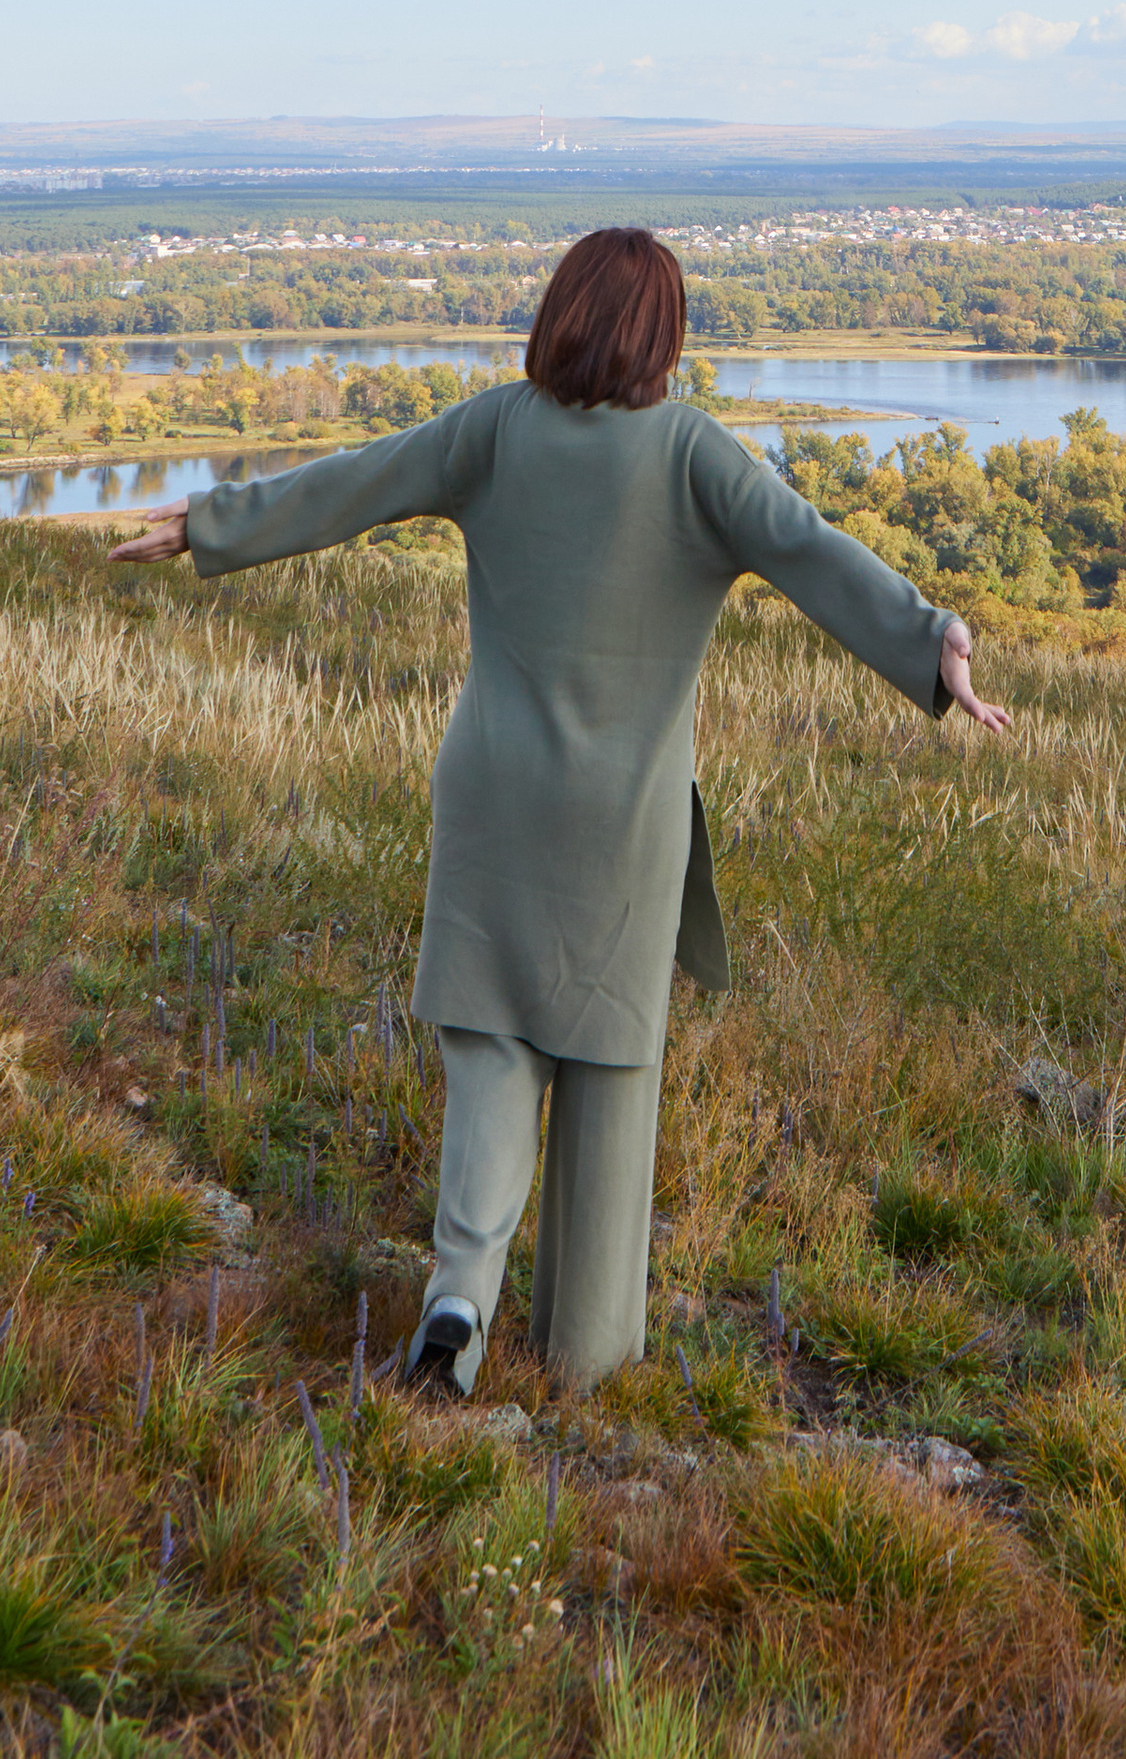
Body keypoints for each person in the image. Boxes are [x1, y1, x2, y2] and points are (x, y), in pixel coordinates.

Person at [108, 225, 1010, 1397]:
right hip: (621, 820)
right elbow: (809, 548)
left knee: (488, 1049)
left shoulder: (492, 429)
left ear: (561, 316)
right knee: (608, 1072)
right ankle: (584, 1358)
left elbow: (358, 483)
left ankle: (457, 1306)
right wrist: (929, 635)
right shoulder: (692, 454)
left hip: (491, 798)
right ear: (660, 336)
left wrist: (207, 523)